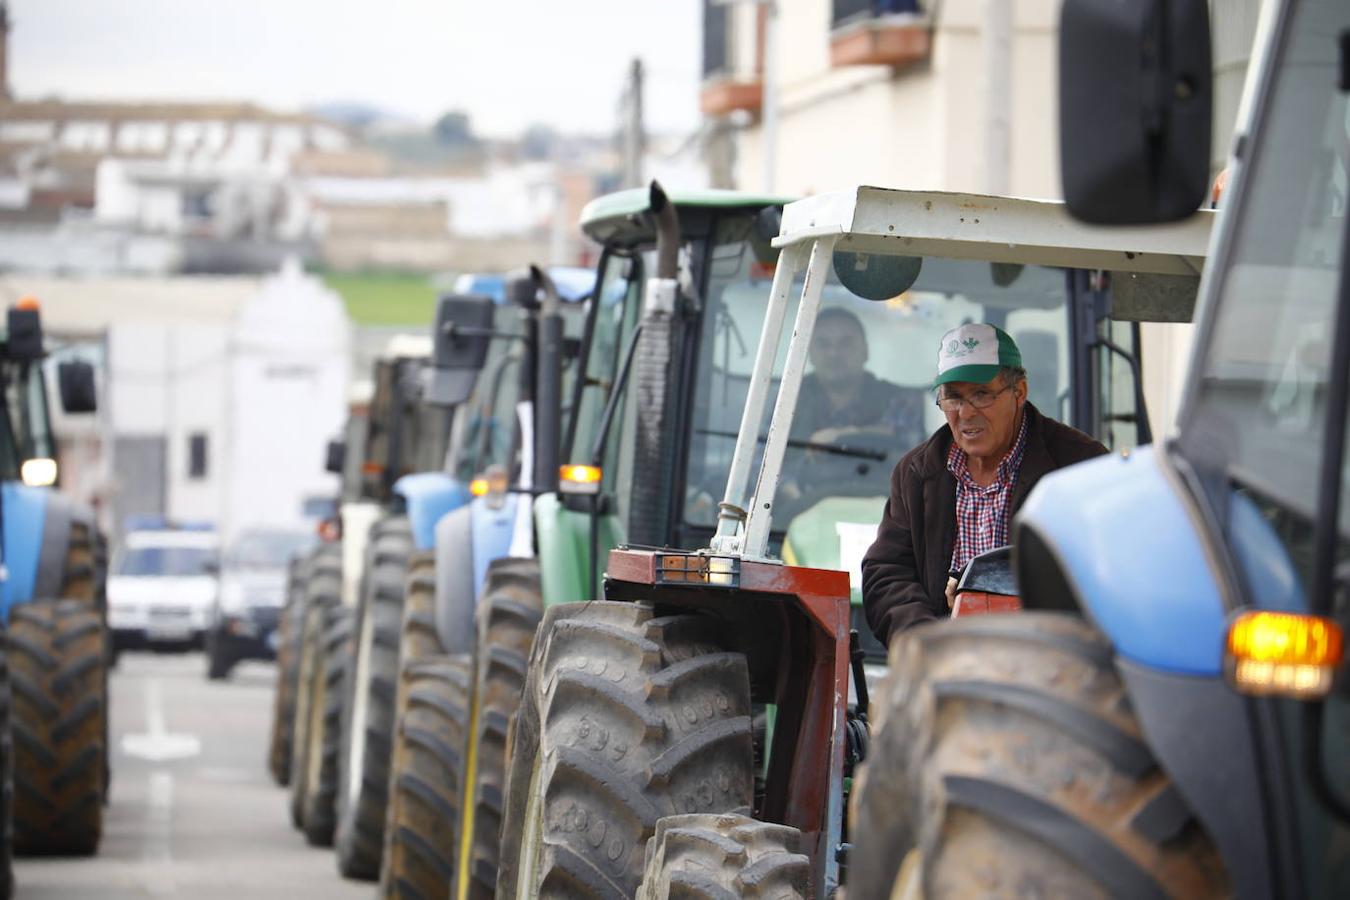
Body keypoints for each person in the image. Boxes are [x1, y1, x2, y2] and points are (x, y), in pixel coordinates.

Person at [861, 323, 1108, 645]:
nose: (966, 413)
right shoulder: (916, 472)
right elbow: (887, 571)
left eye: (981, 395)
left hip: (1047, 658)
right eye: (953, 397)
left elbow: (1108, 572)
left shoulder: (1081, 467)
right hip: (945, 662)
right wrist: (926, 639)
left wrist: (989, 585)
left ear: (1019, 392)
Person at [779, 308, 925, 507]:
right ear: (810, 353)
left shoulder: (898, 400)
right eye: (823, 344)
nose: (834, 353)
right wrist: (796, 497)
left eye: (846, 343)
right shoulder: (787, 401)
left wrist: (845, 434)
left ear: (865, 351)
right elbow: (759, 463)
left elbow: (915, 455)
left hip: (885, 513)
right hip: (802, 510)